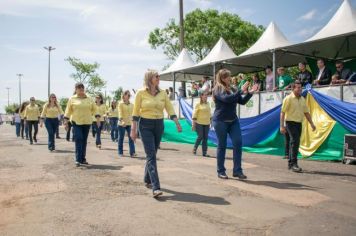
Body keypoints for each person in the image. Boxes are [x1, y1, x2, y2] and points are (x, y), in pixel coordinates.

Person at [131, 69, 182, 198]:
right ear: (149, 78)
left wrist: (177, 122)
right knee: (151, 155)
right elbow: (136, 112)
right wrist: (133, 129)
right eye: (156, 76)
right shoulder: (140, 93)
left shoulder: (163, 93)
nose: (159, 78)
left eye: (159, 76)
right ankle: (156, 187)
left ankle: (147, 179)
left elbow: (169, 108)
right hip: (145, 125)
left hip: (159, 124)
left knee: (153, 153)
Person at [212, 69, 259, 180]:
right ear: (223, 78)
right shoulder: (217, 89)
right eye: (228, 76)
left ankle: (237, 171)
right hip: (220, 121)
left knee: (238, 143)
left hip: (233, 120)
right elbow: (226, 99)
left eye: (229, 76)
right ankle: (221, 171)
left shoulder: (233, 88)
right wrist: (241, 90)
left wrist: (250, 92)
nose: (230, 78)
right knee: (222, 146)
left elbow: (241, 102)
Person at [280, 80, 316, 172]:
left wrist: (312, 123)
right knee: (294, 142)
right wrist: (282, 126)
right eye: (298, 88)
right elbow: (282, 113)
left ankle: (290, 163)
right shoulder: (288, 99)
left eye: (301, 87)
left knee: (294, 142)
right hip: (290, 123)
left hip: (299, 123)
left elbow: (306, 113)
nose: (300, 89)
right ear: (293, 88)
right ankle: (294, 164)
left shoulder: (302, 99)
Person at [64, 83, 96, 167]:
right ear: (75, 89)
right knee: (79, 138)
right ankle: (78, 159)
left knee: (84, 140)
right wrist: (65, 121)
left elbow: (94, 109)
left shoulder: (89, 98)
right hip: (76, 121)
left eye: (82, 87)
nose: (81, 89)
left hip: (87, 122)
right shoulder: (72, 98)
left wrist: (96, 118)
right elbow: (68, 110)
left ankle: (83, 158)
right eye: (79, 88)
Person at [192, 91, 211, 157]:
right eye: (204, 95)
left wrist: (211, 122)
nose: (206, 97)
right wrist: (193, 124)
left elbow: (209, 114)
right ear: (201, 96)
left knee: (205, 138)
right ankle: (195, 148)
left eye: (206, 95)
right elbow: (194, 114)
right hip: (199, 123)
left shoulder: (208, 104)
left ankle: (204, 152)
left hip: (207, 123)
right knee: (200, 136)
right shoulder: (198, 104)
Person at [118, 90, 136, 157]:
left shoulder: (132, 105)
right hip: (122, 123)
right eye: (127, 95)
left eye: (129, 95)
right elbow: (120, 112)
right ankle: (120, 152)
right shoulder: (120, 104)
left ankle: (132, 152)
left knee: (131, 138)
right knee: (121, 138)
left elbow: (134, 113)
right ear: (124, 96)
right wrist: (122, 120)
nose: (129, 96)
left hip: (129, 123)